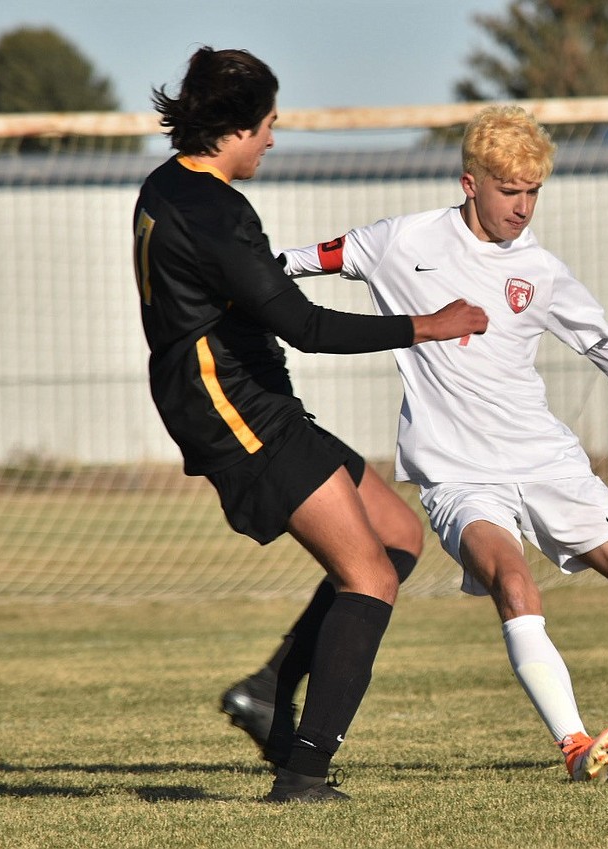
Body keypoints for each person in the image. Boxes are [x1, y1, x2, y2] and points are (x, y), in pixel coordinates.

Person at [227, 104, 608, 783]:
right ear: (470, 182)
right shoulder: (398, 240)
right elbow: (293, 262)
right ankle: (576, 744)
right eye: (510, 191)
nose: (523, 207)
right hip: (459, 478)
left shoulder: (541, 270)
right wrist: (226, 290)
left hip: (547, 462)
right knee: (513, 578)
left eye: (534, 192)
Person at [131, 47, 487, 803]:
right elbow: (305, 325)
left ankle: (269, 690)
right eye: (267, 126)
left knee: (398, 537)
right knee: (371, 579)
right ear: (235, 126)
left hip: (249, 400)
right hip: (236, 413)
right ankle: (304, 772)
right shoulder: (218, 212)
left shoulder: (167, 186)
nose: (271, 140)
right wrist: (427, 324)